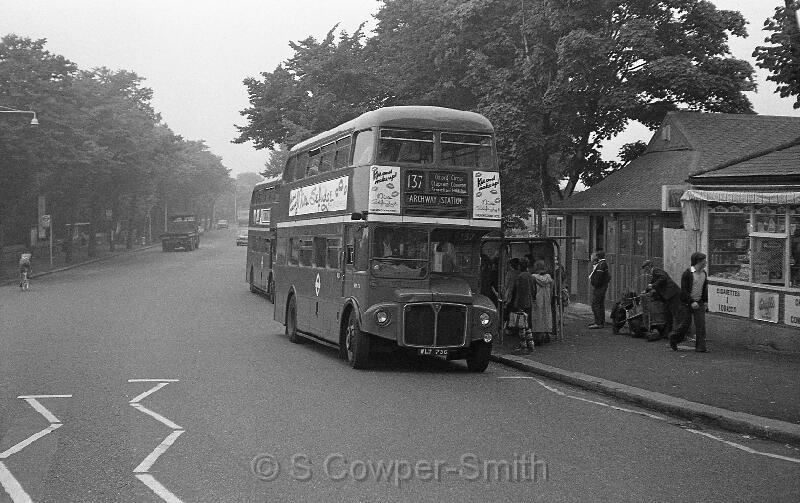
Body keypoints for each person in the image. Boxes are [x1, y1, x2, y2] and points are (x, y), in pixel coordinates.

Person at [643, 260, 690, 351]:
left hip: (673, 294)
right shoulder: (655, 273)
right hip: (668, 296)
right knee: (669, 314)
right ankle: (669, 334)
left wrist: (652, 286)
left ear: (648, 267)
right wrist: (646, 290)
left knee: (677, 314)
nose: (645, 271)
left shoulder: (656, 270)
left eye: (645, 268)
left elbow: (663, 278)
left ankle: (677, 335)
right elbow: (653, 283)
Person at [681, 252, 709, 353]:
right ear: (698, 262)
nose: (706, 262)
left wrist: (705, 301)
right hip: (687, 303)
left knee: (701, 325)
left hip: (699, 302)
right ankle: (674, 338)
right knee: (684, 324)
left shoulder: (704, 273)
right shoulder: (688, 274)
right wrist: (691, 301)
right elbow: (684, 290)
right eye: (704, 261)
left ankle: (701, 347)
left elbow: (704, 289)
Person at [509, 258, 535, 353]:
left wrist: (516, 303)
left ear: (520, 266)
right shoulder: (530, 276)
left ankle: (523, 345)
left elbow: (518, 292)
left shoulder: (520, 277)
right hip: (529, 302)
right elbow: (533, 290)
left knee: (521, 325)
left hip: (521, 303)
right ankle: (531, 344)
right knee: (528, 324)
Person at [531, 261, 554, 345]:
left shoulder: (533, 277)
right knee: (546, 317)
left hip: (536, 301)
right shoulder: (549, 278)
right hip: (547, 301)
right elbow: (551, 291)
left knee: (537, 318)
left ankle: (537, 337)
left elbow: (532, 289)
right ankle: (545, 335)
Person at [588, 250, 610, 329]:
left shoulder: (601, 265)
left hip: (600, 287)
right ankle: (600, 321)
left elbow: (598, 278)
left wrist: (594, 283)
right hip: (601, 286)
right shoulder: (601, 264)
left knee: (595, 304)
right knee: (600, 304)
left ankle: (598, 322)